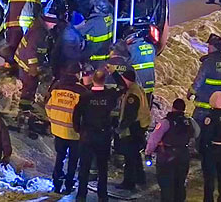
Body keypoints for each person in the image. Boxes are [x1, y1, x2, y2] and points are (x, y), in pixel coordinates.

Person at [0, 0, 62, 67]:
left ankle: (11, 70)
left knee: (13, 49)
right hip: (30, 23)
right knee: (29, 47)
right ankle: (28, 68)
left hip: (12, 23)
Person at [74, 69, 121, 202]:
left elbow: (76, 114)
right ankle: (102, 195)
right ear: (104, 80)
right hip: (103, 136)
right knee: (102, 167)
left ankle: (81, 195)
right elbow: (122, 87)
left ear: (93, 80)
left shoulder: (85, 96)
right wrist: (114, 72)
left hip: (87, 136)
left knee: (84, 167)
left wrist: (78, 130)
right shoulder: (110, 95)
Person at [145, 98, 200, 202]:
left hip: (167, 157)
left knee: (167, 187)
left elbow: (153, 139)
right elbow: (196, 133)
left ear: (173, 108)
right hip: (183, 155)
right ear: (184, 109)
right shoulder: (189, 121)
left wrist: (148, 153)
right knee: (180, 184)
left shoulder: (166, 122)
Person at [45, 71, 89, 194]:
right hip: (74, 133)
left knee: (60, 157)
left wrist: (54, 121)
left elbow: (48, 107)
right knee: (73, 160)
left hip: (58, 130)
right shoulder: (81, 91)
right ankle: (69, 185)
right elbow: (85, 114)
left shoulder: (56, 88)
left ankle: (57, 184)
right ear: (77, 74)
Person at [187, 34, 221, 125]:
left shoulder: (208, 63)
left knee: (196, 127)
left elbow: (199, 81)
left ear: (213, 47)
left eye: (209, 45)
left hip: (203, 104)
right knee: (213, 127)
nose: (208, 47)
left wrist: (191, 92)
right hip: (218, 106)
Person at [117, 69, 152, 191]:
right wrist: (112, 72)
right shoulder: (137, 88)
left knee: (130, 156)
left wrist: (120, 128)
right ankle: (140, 178)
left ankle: (128, 182)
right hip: (140, 126)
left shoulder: (132, 94)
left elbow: (130, 116)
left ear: (127, 80)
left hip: (134, 128)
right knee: (135, 155)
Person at [14, 15, 52, 111]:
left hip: (25, 60)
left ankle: (26, 106)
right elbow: (31, 50)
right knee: (29, 85)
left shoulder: (41, 29)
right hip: (26, 62)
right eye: (54, 23)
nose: (54, 25)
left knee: (30, 85)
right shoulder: (39, 33)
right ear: (48, 22)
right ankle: (24, 109)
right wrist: (33, 67)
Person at [77, 0, 114, 69]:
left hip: (94, 57)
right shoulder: (110, 16)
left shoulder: (93, 22)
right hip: (107, 55)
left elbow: (78, 33)